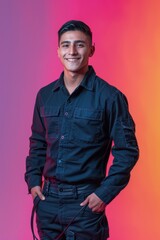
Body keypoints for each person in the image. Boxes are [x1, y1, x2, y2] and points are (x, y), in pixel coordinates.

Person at [25, 20, 139, 240]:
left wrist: (104, 194)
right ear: (58, 51)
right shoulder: (45, 95)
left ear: (91, 49)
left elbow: (128, 151)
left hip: (84, 205)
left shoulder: (110, 97)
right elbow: (37, 143)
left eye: (80, 44)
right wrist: (32, 183)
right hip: (47, 204)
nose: (72, 51)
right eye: (66, 45)